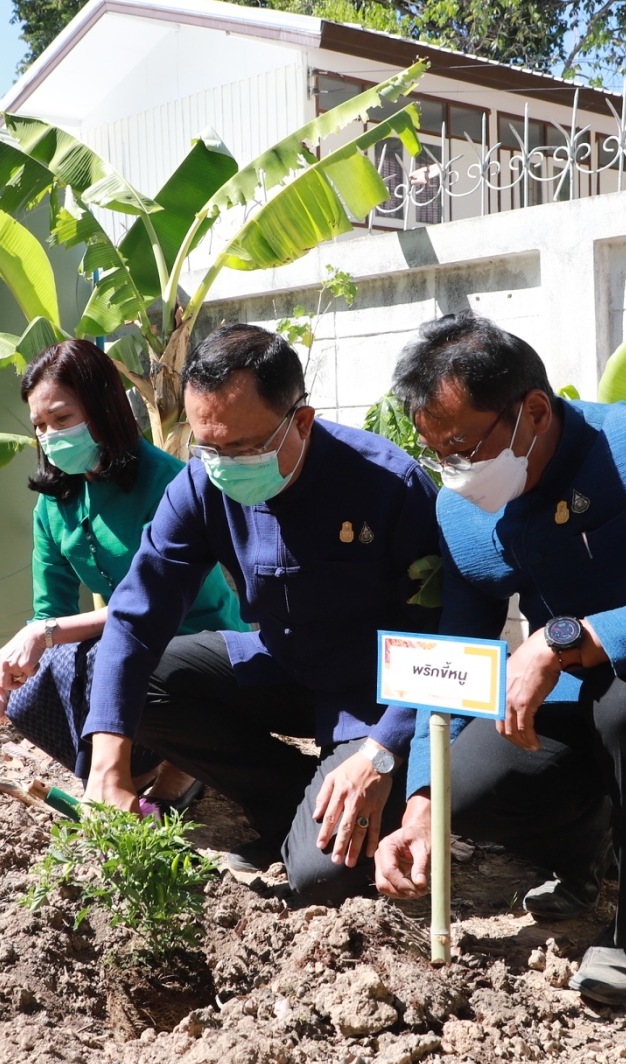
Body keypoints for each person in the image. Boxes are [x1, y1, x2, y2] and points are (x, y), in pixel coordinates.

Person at [368, 314, 626, 1002]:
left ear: (532, 410)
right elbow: (455, 653)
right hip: (575, 704)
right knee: (462, 788)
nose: (454, 467)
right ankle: (579, 850)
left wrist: (563, 638)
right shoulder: (463, 511)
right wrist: (420, 804)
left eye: (464, 444)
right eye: (437, 450)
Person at [81, 324, 441, 902]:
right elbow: (136, 614)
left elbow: (438, 638)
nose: (223, 465)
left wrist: (385, 749)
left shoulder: (388, 484)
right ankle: (291, 800)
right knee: (133, 680)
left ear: (301, 421)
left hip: (373, 697)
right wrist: (106, 767)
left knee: (323, 880)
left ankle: (329, 807)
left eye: (243, 449)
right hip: (283, 666)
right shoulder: (201, 484)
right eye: (208, 446)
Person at [0, 339, 246, 799]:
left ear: (103, 407)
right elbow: (50, 610)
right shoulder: (54, 504)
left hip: (193, 641)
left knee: (104, 661)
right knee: (37, 683)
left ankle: (169, 767)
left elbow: (154, 604)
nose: (51, 437)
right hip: (124, 641)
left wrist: (44, 633)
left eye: (63, 419)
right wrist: (14, 672)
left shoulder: (168, 483)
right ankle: (124, 773)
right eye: (40, 426)